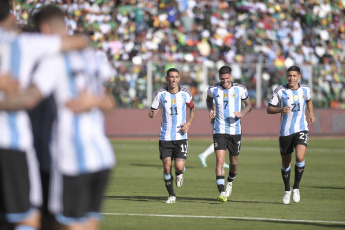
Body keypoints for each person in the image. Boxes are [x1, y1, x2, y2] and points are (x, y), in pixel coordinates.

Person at [0, 5, 116, 230]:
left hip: (67, 158)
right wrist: (96, 101)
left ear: (43, 29)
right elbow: (109, 101)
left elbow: (29, 99)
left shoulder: (50, 61)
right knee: (86, 223)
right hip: (102, 156)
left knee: (41, 220)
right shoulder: (94, 57)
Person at [267, 65, 316, 204]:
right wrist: (280, 110)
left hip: (302, 128)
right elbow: (269, 109)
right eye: (289, 75)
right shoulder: (280, 90)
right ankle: (287, 189)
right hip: (285, 131)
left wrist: (311, 113)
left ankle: (296, 188)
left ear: (299, 77)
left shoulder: (305, 89)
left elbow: (309, 100)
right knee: (286, 162)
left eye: (294, 76)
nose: (291, 78)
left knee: (300, 156)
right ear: (286, 76)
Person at [148, 68, 196, 204]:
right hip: (165, 136)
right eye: (171, 77)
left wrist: (189, 123)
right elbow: (152, 112)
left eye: (176, 77)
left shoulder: (185, 93)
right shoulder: (160, 94)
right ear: (166, 78)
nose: (173, 79)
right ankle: (171, 195)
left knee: (179, 167)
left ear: (179, 78)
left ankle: (180, 173)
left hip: (181, 136)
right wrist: (151, 114)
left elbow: (192, 108)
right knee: (167, 166)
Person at [206, 65, 252, 202]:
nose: (225, 81)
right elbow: (208, 101)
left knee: (234, 162)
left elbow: (249, 105)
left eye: (227, 78)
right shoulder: (213, 89)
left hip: (235, 131)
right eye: (222, 79)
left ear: (231, 77)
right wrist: (211, 109)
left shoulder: (240, 89)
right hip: (219, 130)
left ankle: (230, 181)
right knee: (220, 161)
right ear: (219, 78)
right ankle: (222, 192)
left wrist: (242, 113)